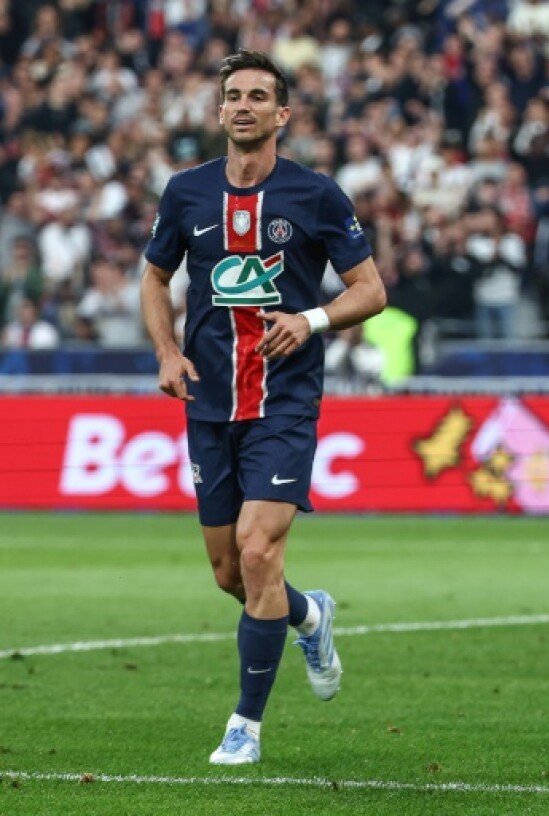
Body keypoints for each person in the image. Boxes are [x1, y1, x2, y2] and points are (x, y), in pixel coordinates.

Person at [140, 50, 387, 764]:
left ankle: (244, 726)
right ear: (219, 111)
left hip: (284, 400)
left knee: (257, 549)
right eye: (232, 96)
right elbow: (155, 278)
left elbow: (369, 289)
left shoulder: (315, 194)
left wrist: (309, 321)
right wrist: (165, 351)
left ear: (282, 115)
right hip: (208, 401)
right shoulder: (186, 192)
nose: (243, 105)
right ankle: (310, 614)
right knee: (231, 572)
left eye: (258, 96)